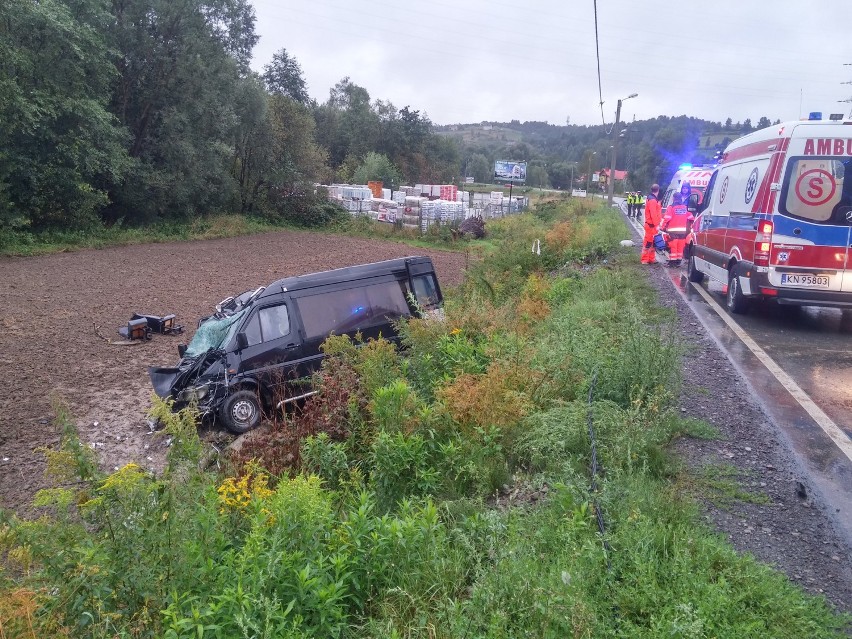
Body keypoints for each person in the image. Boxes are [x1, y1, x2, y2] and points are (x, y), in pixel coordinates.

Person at [660, 192, 694, 266]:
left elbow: (667, 218)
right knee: (680, 246)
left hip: (673, 230)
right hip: (683, 231)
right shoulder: (684, 207)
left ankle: (672, 262)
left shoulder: (671, 207)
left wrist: (662, 227)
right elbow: (691, 217)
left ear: (673, 198)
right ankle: (678, 261)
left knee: (673, 246)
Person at [641, 184, 662, 264]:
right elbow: (653, 214)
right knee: (648, 243)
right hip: (651, 226)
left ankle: (651, 259)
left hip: (651, 225)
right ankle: (645, 259)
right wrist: (657, 225)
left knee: (653, 243)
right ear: (658, 190)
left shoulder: (651, 198)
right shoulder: (653, 200)